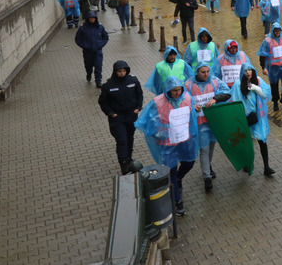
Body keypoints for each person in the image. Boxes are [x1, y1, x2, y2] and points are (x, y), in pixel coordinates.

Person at [134, 76, 198, 217]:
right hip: (167, 144)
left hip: (184, 140)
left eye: (179, 89)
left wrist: (192, 135)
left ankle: (179, 179)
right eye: (174, 90)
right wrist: (160, 131)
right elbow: (145, 123)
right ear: (168, 89)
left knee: (189, 163)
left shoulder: (187, 98)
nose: (177, 92)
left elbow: (192, 118)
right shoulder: (157, 102)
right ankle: (177, 201)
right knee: (171, 172)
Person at [186, 64, 232, 191]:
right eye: (203, 72)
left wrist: (215, 99)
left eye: (207, 71)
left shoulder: (215, 81)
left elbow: (227, 93)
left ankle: (208, 167)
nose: (206, 74)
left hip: (213, 121)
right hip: (200, 123)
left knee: (211, 146)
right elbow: (183, 99)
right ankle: (207, 177)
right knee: (204, 149)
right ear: (197, 72)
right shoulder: (189, 84)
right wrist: (191, 106)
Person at [230, 63, 276, 176]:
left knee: (262, 140)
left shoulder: (258, 81)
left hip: (257, 117)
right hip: (244, 117)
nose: (248, 72)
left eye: (250, 70)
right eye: (246, 71)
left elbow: (266, 94)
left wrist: (256, 89)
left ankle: (266, 167)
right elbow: (234, 100)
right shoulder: (237, 85)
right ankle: (247, 164)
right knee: (245, 141)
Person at [99, 60, 143, 173]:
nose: (122, 73)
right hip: (118, 118)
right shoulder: (108, 85)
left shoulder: (133, 80)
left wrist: (138, 107)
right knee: (122, 140)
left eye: (124, 71)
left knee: (130, 137)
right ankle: (123, 163)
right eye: (119, 71)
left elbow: (139, 94)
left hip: (131, 115)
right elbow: (102, 101)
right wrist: (110, 113)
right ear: (115, 72)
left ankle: (129, 158)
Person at [257, 22, 282, 111]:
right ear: (273, 30)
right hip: (273, 67)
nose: (277, 32)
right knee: (274, 85)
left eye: (279, 31)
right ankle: (275, 101)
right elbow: (262, 54)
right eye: (276, 31)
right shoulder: (267, 41)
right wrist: (263, 67)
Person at [75, 11, 109, 87]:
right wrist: (84, 46)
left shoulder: (100, 27)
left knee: (98, 66)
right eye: (90, 18)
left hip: (98, 50)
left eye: (93, 18)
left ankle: (98, 81)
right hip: (87, 51)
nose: (92, 19)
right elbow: (77, 39)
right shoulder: (83, 28)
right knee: (88, 65)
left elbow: (105, 37)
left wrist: (101, 45)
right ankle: (89, 73)